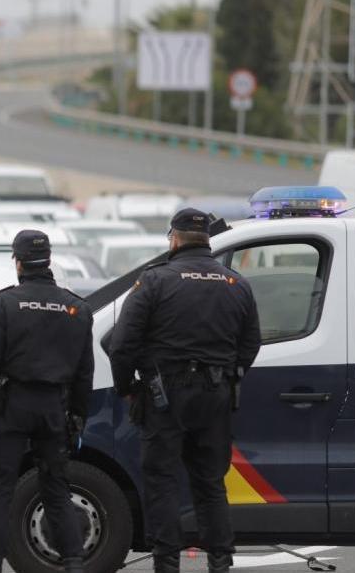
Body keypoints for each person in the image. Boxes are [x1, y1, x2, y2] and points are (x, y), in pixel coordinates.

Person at [109, 208, 261, 573]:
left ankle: (167, 565)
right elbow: (251, 343)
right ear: (207, 240)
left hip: (165, 398)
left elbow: (121, 345)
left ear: (174, 239)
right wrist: (229, 375)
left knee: (162, 482)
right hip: (215, 396)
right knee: (210, 484)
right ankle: (220, 564)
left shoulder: (155, 281)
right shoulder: (236, 284)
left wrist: (127, 387)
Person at [0, 230, 94, 573]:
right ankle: (74, 564)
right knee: (57, 491)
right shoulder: (77, 307)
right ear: (48, 260)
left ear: (17, 263)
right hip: (54, 410)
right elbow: (83, 373)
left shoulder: (4, 304)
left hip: (12, 407)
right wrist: (77, 419)